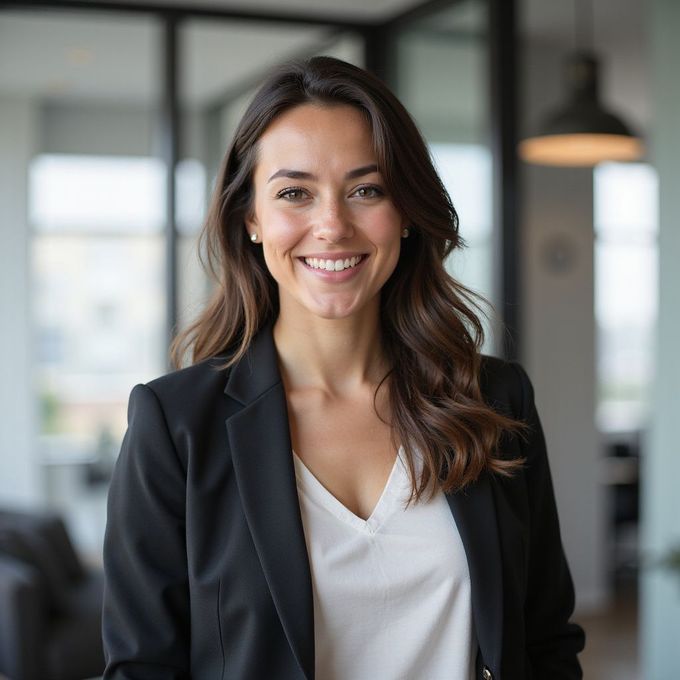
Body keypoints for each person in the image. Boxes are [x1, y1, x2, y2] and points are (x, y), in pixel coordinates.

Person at [102, 56, 585, 680]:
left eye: (366, 189)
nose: (331, 225)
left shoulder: (494, 399)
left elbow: (545, 639)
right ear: (251, 217)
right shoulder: (175, 425)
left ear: (406, 212)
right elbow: (143, 667)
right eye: (294, 193)